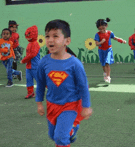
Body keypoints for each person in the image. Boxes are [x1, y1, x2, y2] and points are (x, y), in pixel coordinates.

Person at [35, 19, 92, 147]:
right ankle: (71, 130)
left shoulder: (75, 64)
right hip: (51, 104)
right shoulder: (43, 63)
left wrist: (86, 106)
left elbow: (84, 86)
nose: (50, 40)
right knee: (52, 135)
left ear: (67, 41)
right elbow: (40, 84)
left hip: (70, 105)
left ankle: (69, 131)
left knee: (60, 138)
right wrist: (39, 103)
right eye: (47, 36)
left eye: (55, 36)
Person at [94, 18, 126, 83]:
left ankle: (108, 77)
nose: (102, 30)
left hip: (108, 50)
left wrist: (121, 40)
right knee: (103, 64)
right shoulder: (97, 34)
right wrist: (101, 42)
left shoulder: (109, 33)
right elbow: (97, 44)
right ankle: (105, 73)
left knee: (107, 63)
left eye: (103, 28)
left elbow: (115, 38)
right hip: (101, 51)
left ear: (106, 26)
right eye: (100, 29)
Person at [21, 25, 40, 99]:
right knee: (29, 80)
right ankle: (30, 93)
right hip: (29, 66)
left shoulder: (35, 44)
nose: (27, 37)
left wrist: (23, 60)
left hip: (35, 66)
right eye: (26, 35)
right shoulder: (30, 44)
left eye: (29, 35)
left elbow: (32, 54)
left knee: (39, 80)